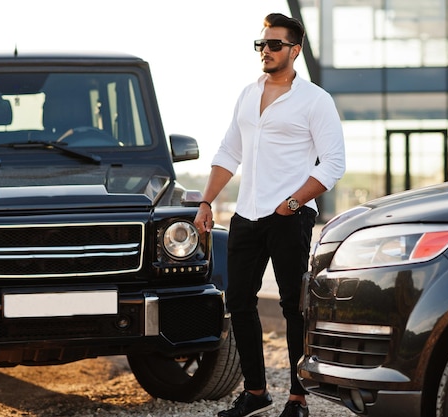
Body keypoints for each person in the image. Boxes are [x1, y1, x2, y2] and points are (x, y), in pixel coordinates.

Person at [194, 13, 346, 417]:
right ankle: (256, 393)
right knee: (239, 301)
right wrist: (207, 202)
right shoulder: (248, 93)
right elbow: (229, 152)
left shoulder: (315, 100)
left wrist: (293, 204)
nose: (266, 51)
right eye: (261, 44)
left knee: (292, 306)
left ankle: (298, 399)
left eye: (274, 45)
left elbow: (332, 164)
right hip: (246, 214)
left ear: (294, 51)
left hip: (289, 216)